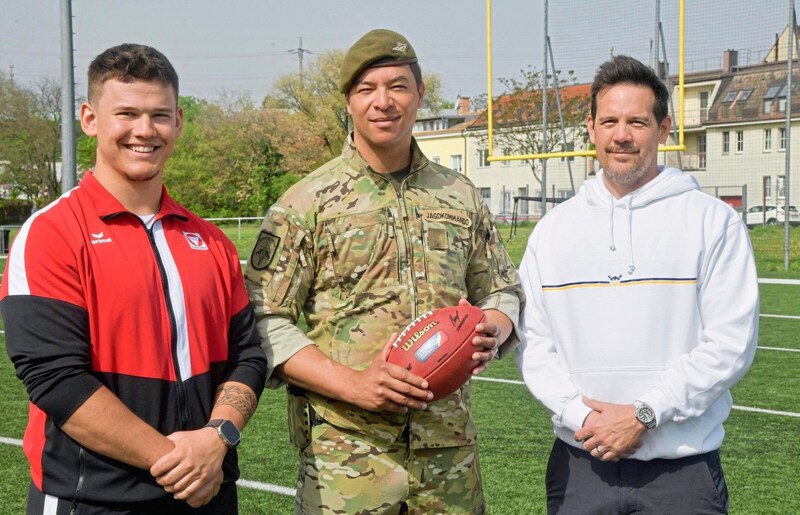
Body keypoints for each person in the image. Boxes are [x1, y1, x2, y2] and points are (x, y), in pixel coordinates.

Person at [245, 29, 524, 514]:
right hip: (347, 457)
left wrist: (493, 329)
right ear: (349, 103)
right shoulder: (307, 202)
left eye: (397, 86)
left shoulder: (459, 195)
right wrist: (353, 385)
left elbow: (501, 287)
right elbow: (264, 319)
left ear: (419, 96)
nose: (383, 102)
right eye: (366, 89)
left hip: (448, 457)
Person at [0, 43, 267, 514]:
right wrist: (178, 461)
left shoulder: (210, 240)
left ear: (179, 121)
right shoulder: (51, 234)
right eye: (126, 113)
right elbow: (56, 380)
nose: (145, 131)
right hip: (96, 501)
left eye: (160, 115)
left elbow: (247, 355)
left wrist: (218, 436)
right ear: (89, 118)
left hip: (210, 493)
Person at [516, 54, 759, 514]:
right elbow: (534, 343)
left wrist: (645, 413)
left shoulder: (713, 222)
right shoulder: (553, 230)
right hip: (580, 466)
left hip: (681, 475)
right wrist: (582, 416)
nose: (621, 135)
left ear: (664, 129)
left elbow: (730, 343)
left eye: (637, 122)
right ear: (591, 128)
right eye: (609, 120)